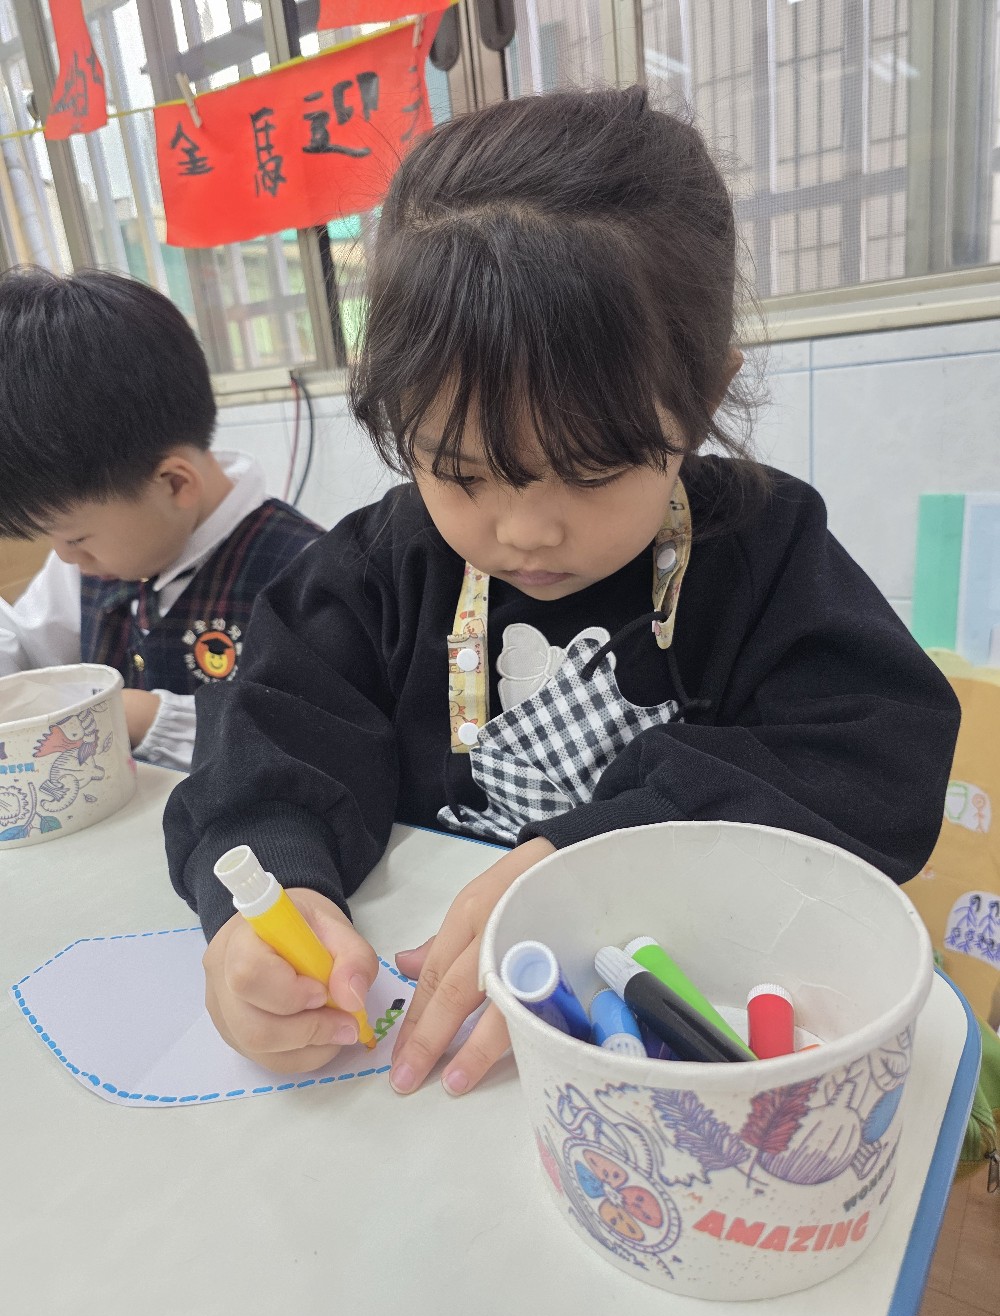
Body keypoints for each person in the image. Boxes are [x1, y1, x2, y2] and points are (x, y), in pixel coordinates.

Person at [164, 88, 960, 1096]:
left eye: (588, 472)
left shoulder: (762, 551)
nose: (525, 530)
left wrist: (605, 858)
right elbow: (268, 743)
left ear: (701, 400)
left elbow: (877, 762)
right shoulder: (378, 570)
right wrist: (270, 899)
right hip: (423, 1068)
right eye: (459, 472)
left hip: (672, 1051)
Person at [0, 268, 322, 771]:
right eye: (53, 538)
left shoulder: (306, 574)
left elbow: (318, 738)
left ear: (174, 484)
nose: (65, 556)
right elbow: (26, 656)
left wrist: (147, 718)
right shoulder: (85, 563)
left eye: (77, 538)